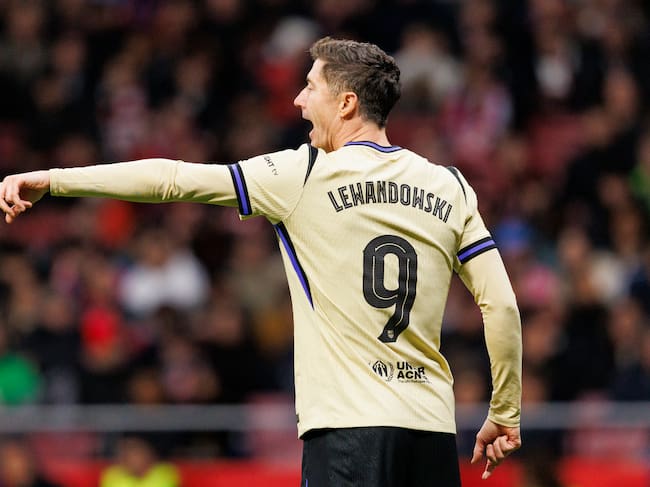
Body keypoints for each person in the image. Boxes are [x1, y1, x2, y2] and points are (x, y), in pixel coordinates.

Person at [0, 37, 522, 486]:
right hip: (431, 431)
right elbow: (500, 307)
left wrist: (55, 180)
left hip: (347, 430)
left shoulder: (305, 174)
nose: (298, 100)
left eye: (311, 87)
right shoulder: (450, 186)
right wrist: (504, 411)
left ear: (345, 103)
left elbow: (172, 179)